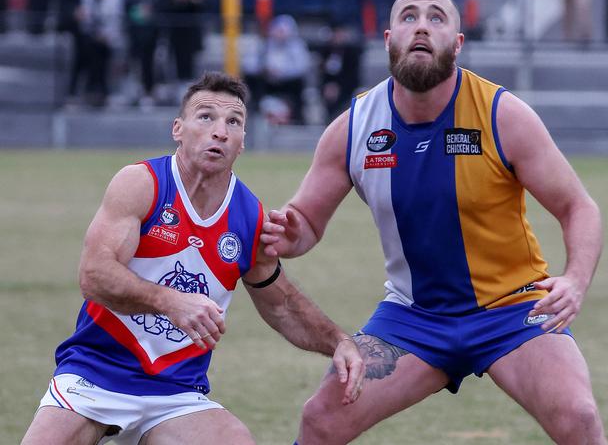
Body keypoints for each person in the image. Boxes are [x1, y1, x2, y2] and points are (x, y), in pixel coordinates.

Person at [262, 0, 607, 444]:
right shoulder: (354, 127)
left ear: (457, 44)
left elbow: (578, 207)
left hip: (511, 309)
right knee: (321, 420)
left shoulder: (503, 115)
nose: (421, 25)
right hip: (413, 316)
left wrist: (576, 280)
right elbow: (303, 223)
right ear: (388, 39)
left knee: (579, 418)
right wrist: (284, 232)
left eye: (436, 18)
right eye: (408, 17)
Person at [21, 72, 364, 445]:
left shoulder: (250, 217)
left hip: (176, 394)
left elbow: (281, 305)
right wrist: (170, 302)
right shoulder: (142, 183)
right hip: (94, 375)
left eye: (233, 122)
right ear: (178, 129)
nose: (220, 131)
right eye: (206, 117)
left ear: (242, 143)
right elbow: (94, 275)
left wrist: (339, 342)